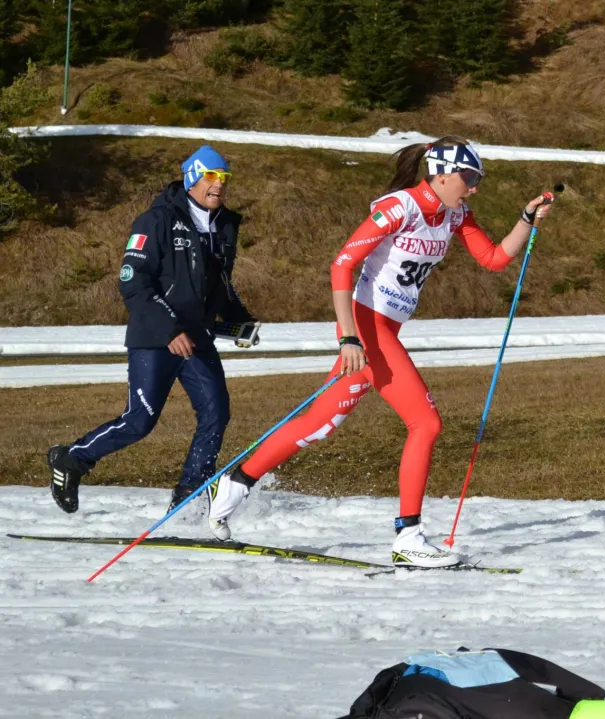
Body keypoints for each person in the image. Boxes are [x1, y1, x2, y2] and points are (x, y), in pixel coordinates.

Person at [206, 136, 554, 568]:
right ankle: (408, 537)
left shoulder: (455, 212)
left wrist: (525, 219)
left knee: (319, 423)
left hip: (384, 327)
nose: (474, 187)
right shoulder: (400, 208)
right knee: (425, 423)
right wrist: (348, 337)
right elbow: (341, 264)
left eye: (477, 179)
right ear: (441, 174)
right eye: (469, 178)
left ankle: (233, 485)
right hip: (368, 326)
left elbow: (494, 258)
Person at [47, 145, 257, 515]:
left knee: (216, 412)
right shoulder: (156, 220)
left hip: (197, 338)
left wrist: (240, 319)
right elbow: (133, 283)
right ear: (193, 178)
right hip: (155, 337)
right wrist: (169, 329)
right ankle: (71, 459)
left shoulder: (224, 225)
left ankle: (190, 490)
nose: (219, 186)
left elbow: (220, 283)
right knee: (139, 422)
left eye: (224, 179)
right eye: (211, 177)